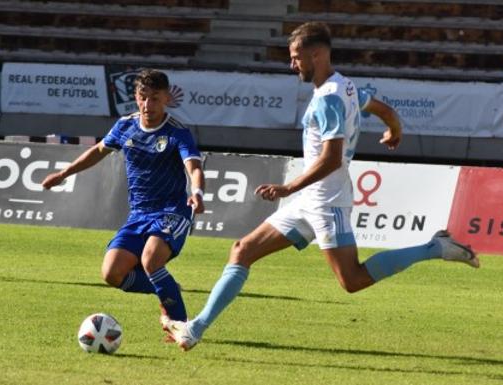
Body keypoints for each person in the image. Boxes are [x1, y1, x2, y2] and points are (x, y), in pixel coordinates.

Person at [162, 21, 479, 351]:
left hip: (328, 202)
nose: (292, 64)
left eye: (296, 57)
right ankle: (195, 328)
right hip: (309, 199)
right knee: (242, 250)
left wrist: (288, 188)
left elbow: (331, 158)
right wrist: (394, 128)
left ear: (316, 54)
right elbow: (382, 109)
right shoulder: (347, 87)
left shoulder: (328, 99)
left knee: (352, 281)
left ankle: (436, 248)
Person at [42, 69, 204, 323]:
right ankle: (163, 286)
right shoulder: (125, 126)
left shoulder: (177, 132)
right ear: (136, 97)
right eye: (143, 97)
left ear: (166, 99)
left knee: (150, 260)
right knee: (112, 274)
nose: (147, 105)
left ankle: (180, 324)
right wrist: (64, 173)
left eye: (155, 98)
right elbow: (98, 151)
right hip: (139, 213)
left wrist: (197, 192)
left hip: (172, 210)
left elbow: (193, 166)